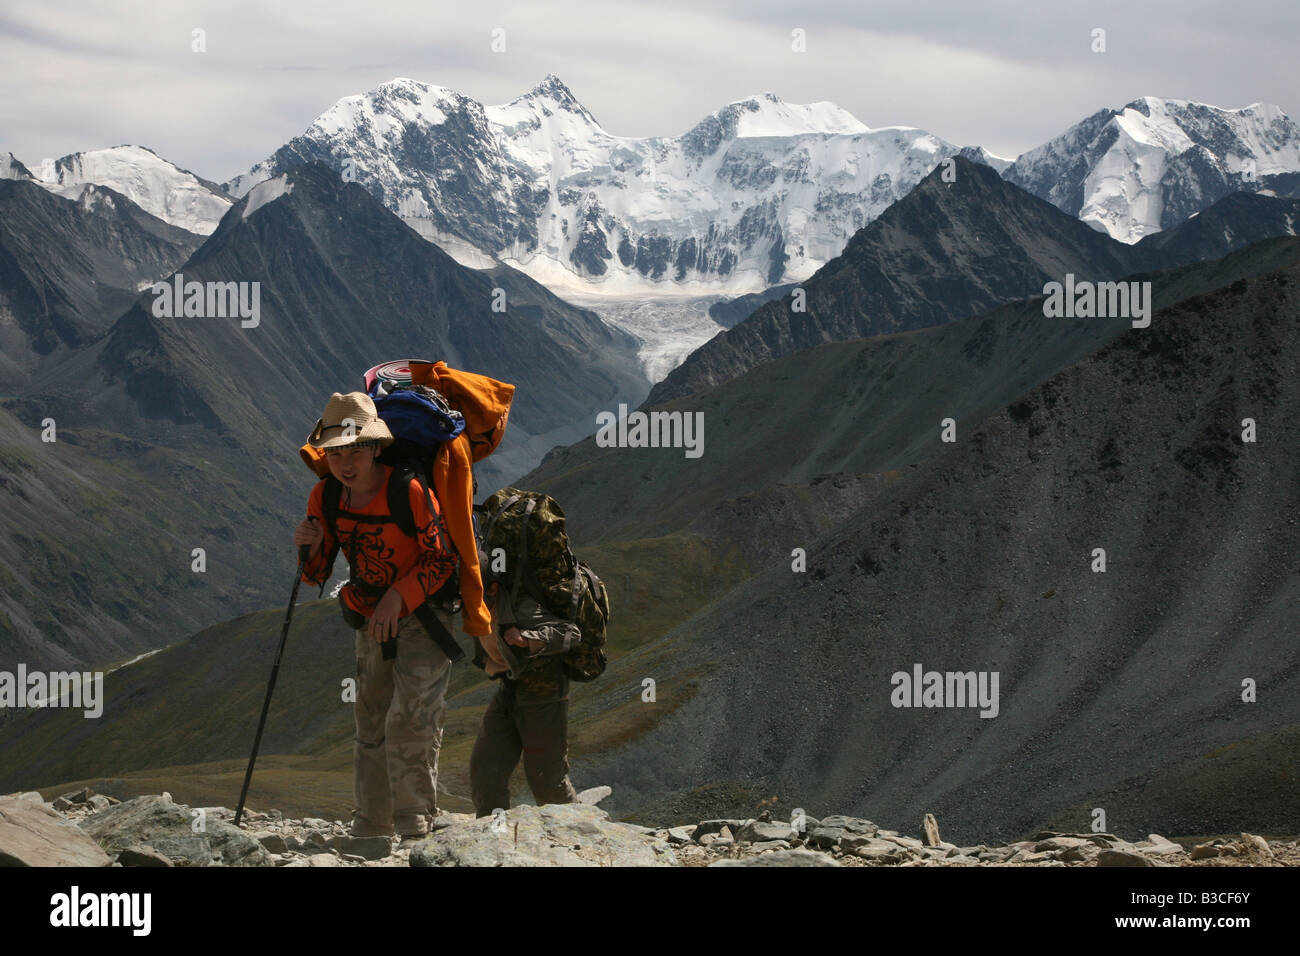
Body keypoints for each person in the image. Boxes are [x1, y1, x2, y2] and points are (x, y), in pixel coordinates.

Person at [293, 391, 459, 841]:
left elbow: (442, 559)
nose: (347, 462)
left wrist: (398, 597)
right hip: (370, 612)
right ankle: (370, 824)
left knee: (411, 715)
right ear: (326, 453)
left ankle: (413, 822)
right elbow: (317, 572)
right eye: (337, 452)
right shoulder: (325, 495)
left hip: (425, 613)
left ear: (375, 448)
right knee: (371, 719)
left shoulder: (408, 490)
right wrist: (307, 543)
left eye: (357, 449)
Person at [469, 561, 581, 816]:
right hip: (509, 691)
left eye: (474, 589)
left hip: (545, 697)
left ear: (493, 588)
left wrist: (528, 638)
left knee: (546, 781)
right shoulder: (478, 609)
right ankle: (491, 836)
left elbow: (572, 634)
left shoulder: (522, 608)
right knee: (485, 770)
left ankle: (576, 832)